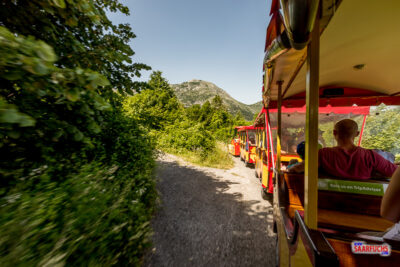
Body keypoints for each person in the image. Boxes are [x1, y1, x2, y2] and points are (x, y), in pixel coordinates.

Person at [289, 119, 397, 179]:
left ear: (334, 133)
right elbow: (394, 172)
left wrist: (290, 168)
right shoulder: (371, 156)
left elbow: (297, 169)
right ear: (357, 134)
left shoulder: (323, 154)